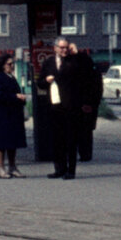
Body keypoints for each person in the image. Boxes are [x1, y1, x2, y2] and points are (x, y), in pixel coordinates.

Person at [39, 38, 85, 180]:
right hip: (54, 105)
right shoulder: (48, 62)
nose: (64, 50)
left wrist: (76, 53)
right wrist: (45, 81)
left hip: (70, 106)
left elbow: (84, 71)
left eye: (66, 48)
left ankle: (71, 170)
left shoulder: (73, 61)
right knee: (57, 139)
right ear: (55, 48)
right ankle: (59, 168)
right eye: (62, 48)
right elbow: (39, 82)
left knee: (70, 139)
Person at [0, 53, 27, 178]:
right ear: (2, 65)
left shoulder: (12, 78)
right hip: (3, 115)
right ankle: (1, 168)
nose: (12, 66)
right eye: (9, 64)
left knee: (13, 142)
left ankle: (12, 166)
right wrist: (15, 96)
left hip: (14, 115)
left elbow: (16, 92)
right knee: (2, 142)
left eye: (13, 64)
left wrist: (21, 98)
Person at [71, 44, 102, 163]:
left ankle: (83, 153)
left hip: (82, 105)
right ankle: (86, 153)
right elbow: (98, 90)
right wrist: (94, 104)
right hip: (90, 106)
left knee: (79, 131)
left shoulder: (80, 72)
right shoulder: (94, 71)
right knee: (87, 132)